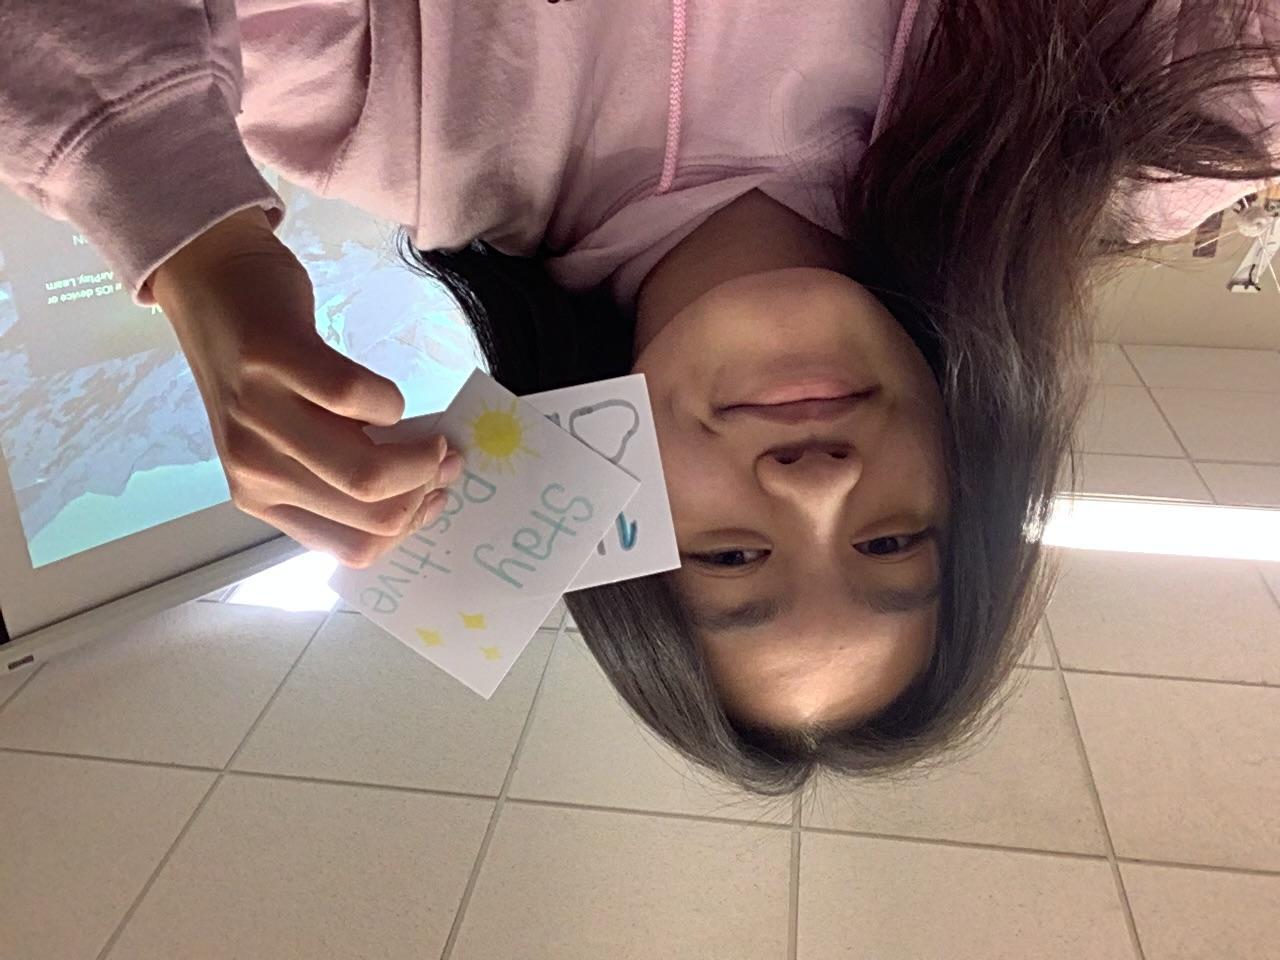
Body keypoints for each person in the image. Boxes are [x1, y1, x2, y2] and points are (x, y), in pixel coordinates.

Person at [1, 0, 1277, 795]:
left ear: (607, 518)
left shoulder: (393, 116)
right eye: (893, 540)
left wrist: (196, 244)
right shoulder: (1136, 137)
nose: (818, 486)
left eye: (731, 555)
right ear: (971, 479)